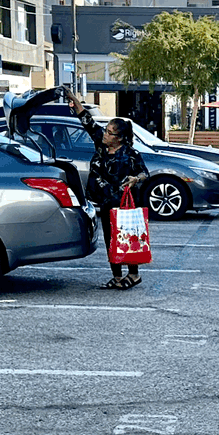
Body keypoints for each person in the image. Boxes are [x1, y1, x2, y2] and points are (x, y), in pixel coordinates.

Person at [64, 92, 150, 289]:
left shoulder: (130, 154)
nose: (105, 133)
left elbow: (145, 173)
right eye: (106, 130)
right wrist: (75, 101)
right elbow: (87, 121)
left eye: (110, 132)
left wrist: (135, 179)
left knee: (127, 238)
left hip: (124, 204)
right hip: (105, 202)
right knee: (110, 240)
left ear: (119, 138)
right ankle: (117, 277)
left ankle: (134, 275)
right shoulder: (101, 146)